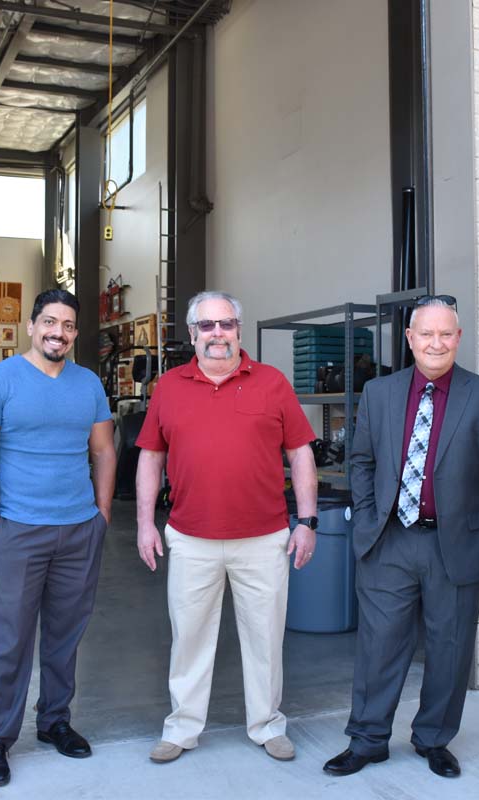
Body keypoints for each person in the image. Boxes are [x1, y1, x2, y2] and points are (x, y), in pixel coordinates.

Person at [323, 295, 479, 779]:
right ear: (410, 339)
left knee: (450, 646)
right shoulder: (379, 393)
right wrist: (368, 519)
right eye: (425, 334)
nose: (436, 342)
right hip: (389, 541)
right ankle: (368, 740)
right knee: (379, 646)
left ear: (458, 338)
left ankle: (434, 738)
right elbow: (363, 461)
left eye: (445, 334)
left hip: (457, 544)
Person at [134, 290, 318, 765]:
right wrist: (144, 524)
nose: (219, 334)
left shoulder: (272, 383)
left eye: (227, 324)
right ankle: (182, 728)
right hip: (191, 537)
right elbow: (151, 457)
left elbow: (300, 454)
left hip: (264, 538)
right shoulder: (169, 387)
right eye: (208, 325)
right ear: (193, 334)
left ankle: (267, 725)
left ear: (238, 329)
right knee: (190, 638)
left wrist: (307, 521)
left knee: (265, 639)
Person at [0, 288, 116, 788]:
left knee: (65, 635)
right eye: (50, 322)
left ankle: (54, 722)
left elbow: (105, 452)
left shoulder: (88, 383)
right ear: (31, 326)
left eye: (68, 325)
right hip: (20, 530)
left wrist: (102, 514)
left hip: (78, 529)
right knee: (10, 639)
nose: (59, 332)